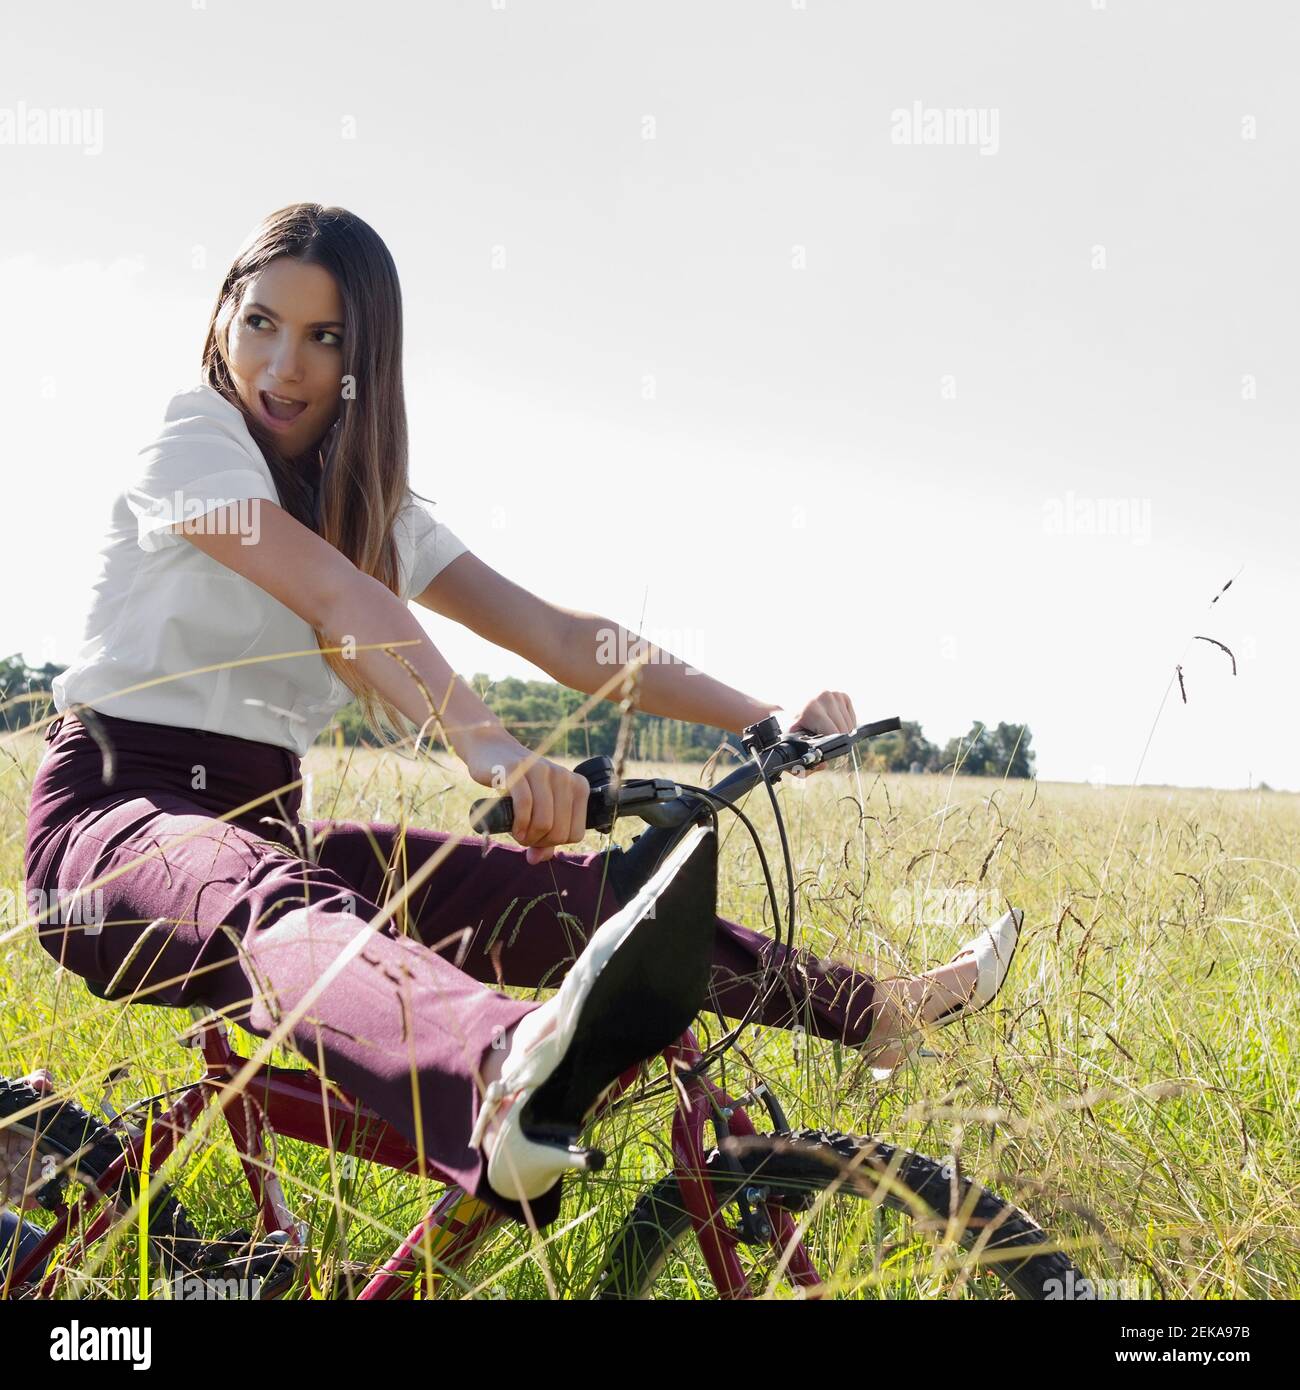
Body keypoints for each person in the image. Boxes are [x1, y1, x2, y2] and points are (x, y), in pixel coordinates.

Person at [18, 203, 1020, 1232]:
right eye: (262, 321)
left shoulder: (367, 504)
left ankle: (873, 1009)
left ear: (367, 361)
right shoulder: (194, 444)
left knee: (580, 900)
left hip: (263, 831)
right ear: (223, 313)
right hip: (111, 825)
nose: (283, 364)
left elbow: (558, 635)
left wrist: (762, 719)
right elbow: (336, 598)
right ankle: (497, 1074)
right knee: (281, 904)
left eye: (326, 338)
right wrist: (485, 742)